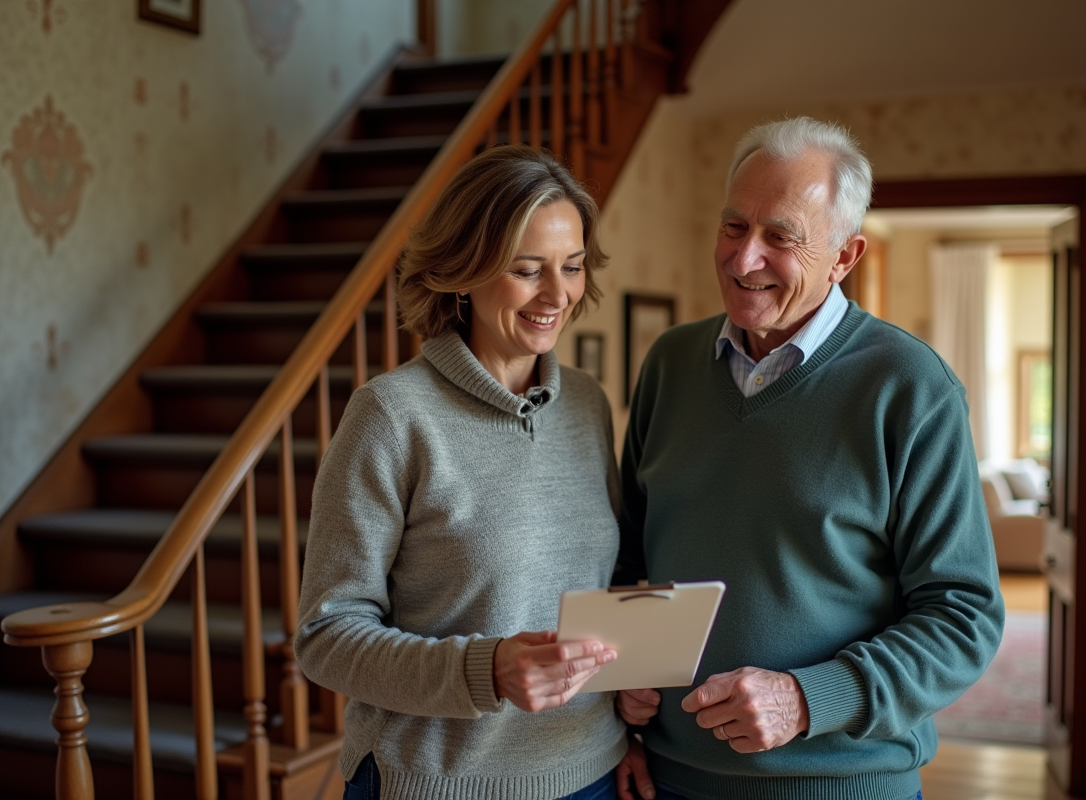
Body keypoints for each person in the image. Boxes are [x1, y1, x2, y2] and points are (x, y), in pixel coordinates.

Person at [613, 117, 1005, 800]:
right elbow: (631, 558)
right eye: (734, 228)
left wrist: (808, 698)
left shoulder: (911, 387)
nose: (743, 261)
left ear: (845, 256)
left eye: (780, 238)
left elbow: (963, 616)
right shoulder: (670, 363)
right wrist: (624, 680)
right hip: (665, 781)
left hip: (845, 784)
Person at [295, 145, 628, 800]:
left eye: (572, 266)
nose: (557, 295)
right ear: (462, 272)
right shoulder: (390, 416)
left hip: (592, 770)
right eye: (527, 270)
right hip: (440, 782)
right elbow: (326, 637)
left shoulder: (588, 404)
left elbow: (604, 587)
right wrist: (488, 671)